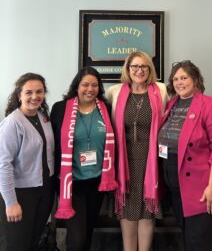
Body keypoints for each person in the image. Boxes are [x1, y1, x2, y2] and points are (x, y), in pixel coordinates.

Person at [158, 60, 212, 251]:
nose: (179, 82)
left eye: (184, 77)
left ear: (195, 79)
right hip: (176, 185)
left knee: (203, 241)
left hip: (202, 185)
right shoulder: (171, 104)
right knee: (188, 236)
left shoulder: (210, 105)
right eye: (175, 79)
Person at [51, 67, 117, 251]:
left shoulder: (106, 109)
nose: (90, 89)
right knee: (77, 239)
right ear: (76, 86)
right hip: (72, 183)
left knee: (88, 232)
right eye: (85, 84)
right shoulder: (60, 109)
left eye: (94, 85)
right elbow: (52, 144)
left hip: (97, 182)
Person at [106, 51, 168, 251]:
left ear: (149, 69)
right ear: (127, 69)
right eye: (135, 66)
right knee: (128, 210)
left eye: (144, 66)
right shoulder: (114, 92)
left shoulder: (160, 89)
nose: (139, 70)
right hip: (124, 159)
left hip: (151, 159)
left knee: (147, 211)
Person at [0, 73, 55, 251]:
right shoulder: (12, 123)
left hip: (44, 189)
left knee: (33, 240)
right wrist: (10, 202)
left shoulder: (43, 117)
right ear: (19, 95)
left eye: (39, 91)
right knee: (18, 244)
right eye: (29, 92)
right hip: (21, 194)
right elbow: (3, 165)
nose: (34, 96)